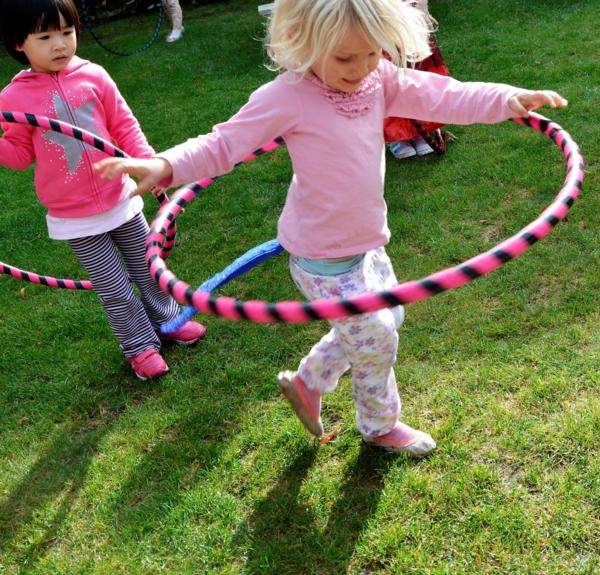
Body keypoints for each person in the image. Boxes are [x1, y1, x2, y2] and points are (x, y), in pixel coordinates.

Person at [95, 0, 567, 455]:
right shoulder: (288, 96)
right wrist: (164, 165)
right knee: (377, 333)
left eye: (371, 52)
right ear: (303, 41)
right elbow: (224, 144)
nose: (361, 66)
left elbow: (445, 95)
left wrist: (508, 99)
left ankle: (309, 381)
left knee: (387, 319)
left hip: (367, 242)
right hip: (320, 254)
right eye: (345, 56)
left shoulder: (380, 79)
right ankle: (380, 426)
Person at [0, 0, 205, 380]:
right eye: (45, 36)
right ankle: (140, 347)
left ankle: (168, 320)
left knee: (149, 269)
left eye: (66, 32)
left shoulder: (94, 75)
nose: (60, 44)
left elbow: (124, 126)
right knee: (115, 289)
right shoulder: (14, 99)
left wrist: (149, 165)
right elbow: (18, 155)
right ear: (18, 43)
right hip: (75, 215)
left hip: (121, 199)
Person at [386, 0, 449, 159]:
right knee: (389, 79)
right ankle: (398, 136)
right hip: (381, 20)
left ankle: (423, 129)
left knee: (417, 74)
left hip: (409, 21)